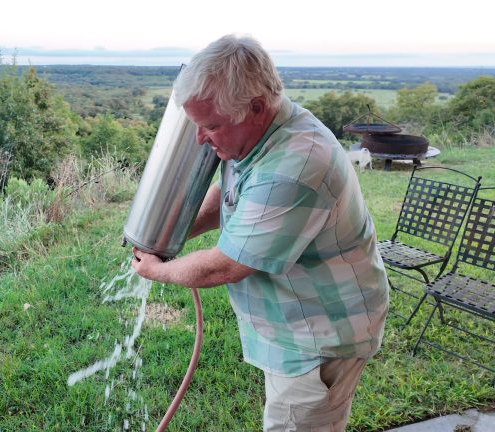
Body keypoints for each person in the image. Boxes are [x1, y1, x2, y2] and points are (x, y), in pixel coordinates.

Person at [131, 34, 389, 432]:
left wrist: (157, 269)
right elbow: (232, 195)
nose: (200, 139)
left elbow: (226, 266)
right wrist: (160, 237)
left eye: (210, 126)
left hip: (320, 336)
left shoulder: (298, 163)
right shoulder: (256, 136)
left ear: (255, 106)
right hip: (296, 318)